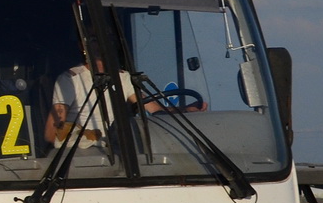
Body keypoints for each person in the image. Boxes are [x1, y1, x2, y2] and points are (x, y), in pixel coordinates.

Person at [44, 53, 207, 147]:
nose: (101, 41)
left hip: (121, 152)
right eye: (94, 38)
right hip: (83, 155)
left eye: (106, 35)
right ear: (83, 45)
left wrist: (186, 110)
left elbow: (155, 110)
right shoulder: (70, 79)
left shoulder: (123, 77)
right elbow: (51, 133)